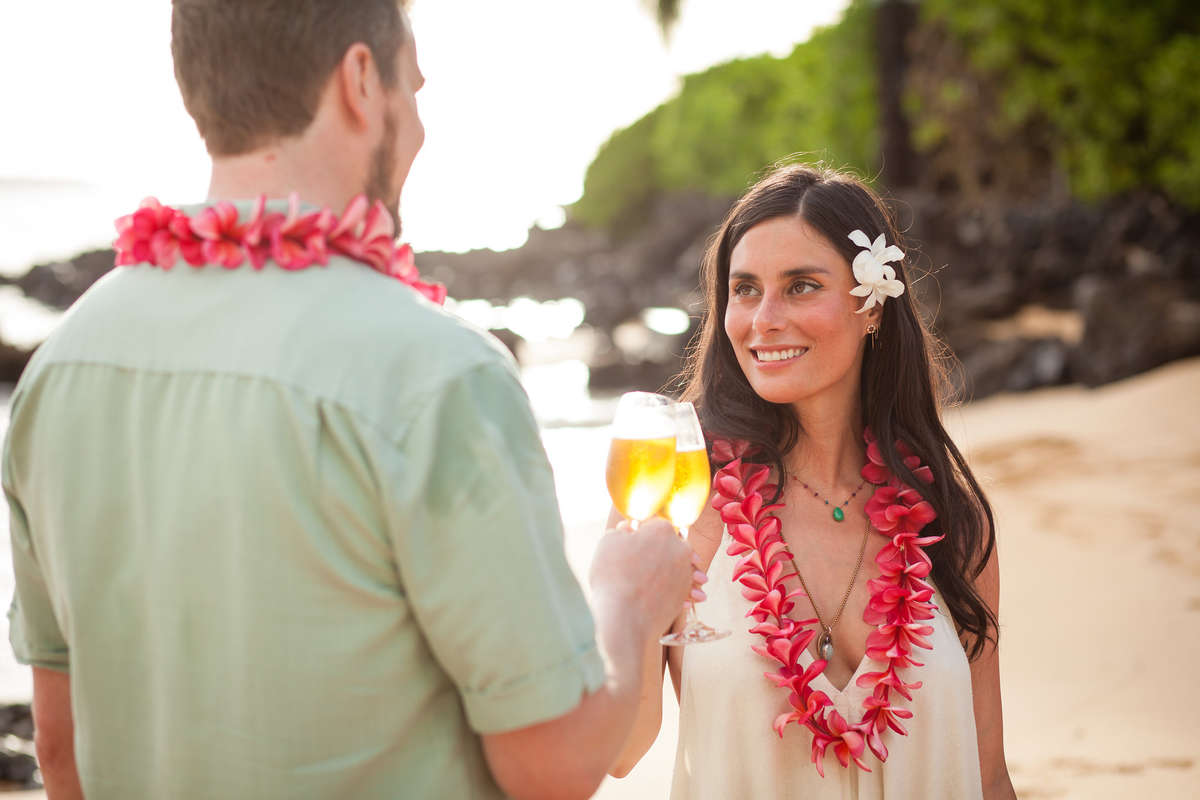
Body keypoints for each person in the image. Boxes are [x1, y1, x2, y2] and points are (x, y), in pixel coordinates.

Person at [3, 2, 699, 798]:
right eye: (417, 87)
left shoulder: (62, 364)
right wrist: (626, 593)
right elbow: (553, 766)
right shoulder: (439, 373)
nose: (422, 129)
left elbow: (60, 752)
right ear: (362, 79)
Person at [609, 164, 1018, 798]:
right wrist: (629, 608)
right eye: (745, 289)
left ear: (872, 308)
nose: (763, 319)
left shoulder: (950, 521)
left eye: (800, 286)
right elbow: (620, 752)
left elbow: (988, 774)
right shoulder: (674, 502)